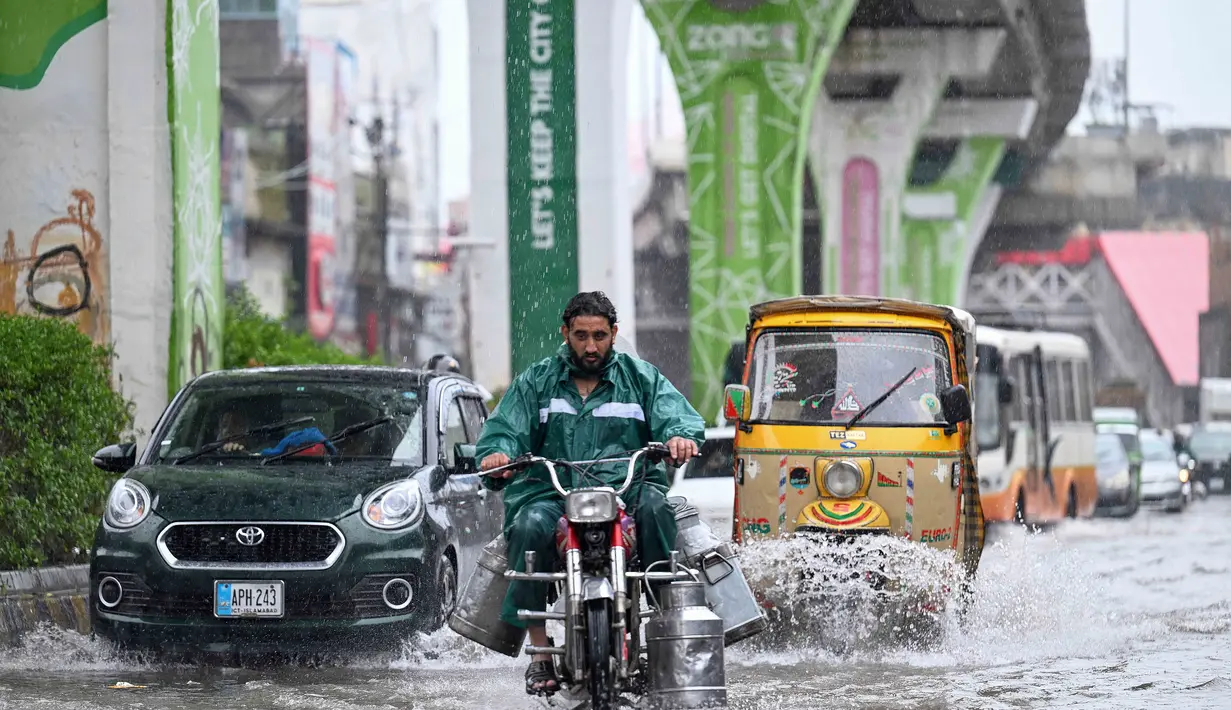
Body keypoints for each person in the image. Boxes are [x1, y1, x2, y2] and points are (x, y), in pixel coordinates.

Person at [475, 291, 705, 696]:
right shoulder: (537, 381)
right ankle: (540, 652)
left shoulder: (641, 378)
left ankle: (664, 625)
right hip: (551, 493)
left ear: (614, 333)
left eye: (599, 335)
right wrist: (498, 454)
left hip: (628, 489)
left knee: (657, 508)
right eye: (581, 336)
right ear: (565, 333)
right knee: (527, 525)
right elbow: (504, 430)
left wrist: (680, 438)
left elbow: (678, 417)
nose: (591, 346)